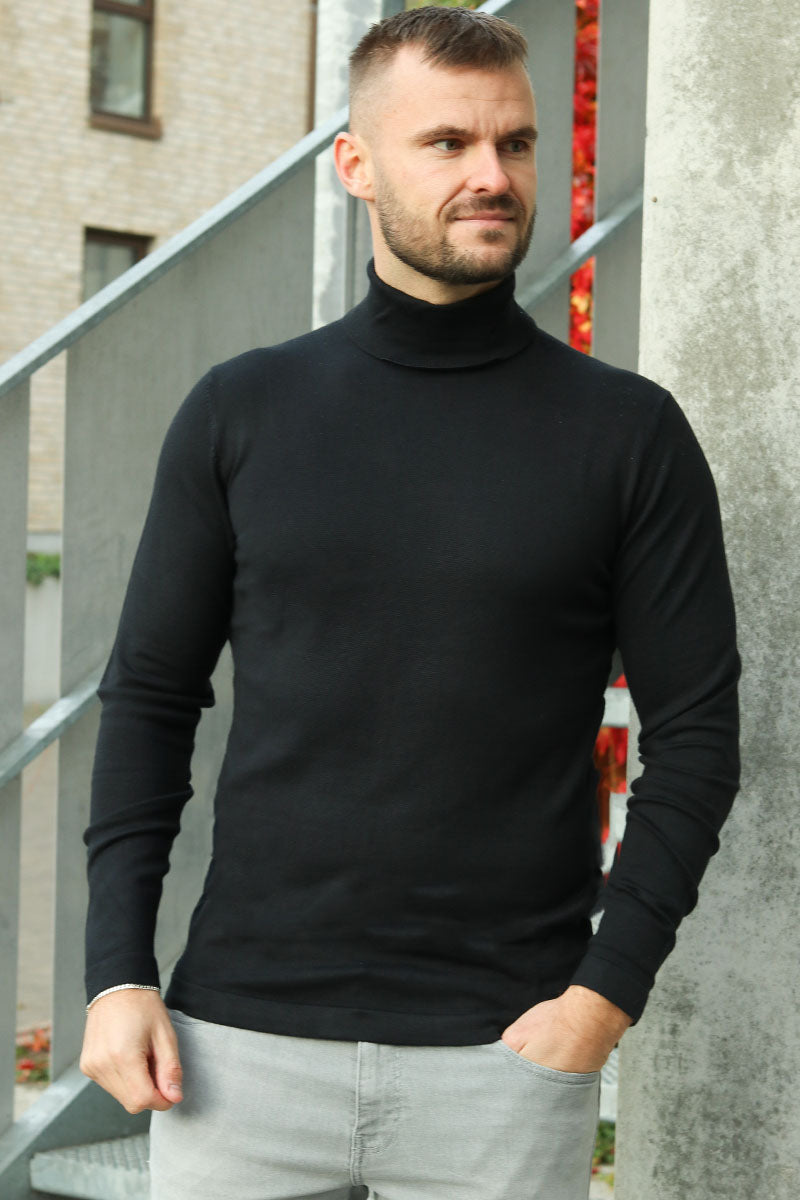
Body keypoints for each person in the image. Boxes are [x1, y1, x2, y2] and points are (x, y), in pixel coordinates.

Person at [79, 7, 740, 1199]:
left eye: (514, 143)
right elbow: (149, 701)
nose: (491, 175)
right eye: (446, 142)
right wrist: (117, 972)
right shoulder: (241, 413)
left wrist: (603, 998)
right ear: (355, 164)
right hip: (237, 1054)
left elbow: (694, 738)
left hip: (503, 1065)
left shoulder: (625, 435)